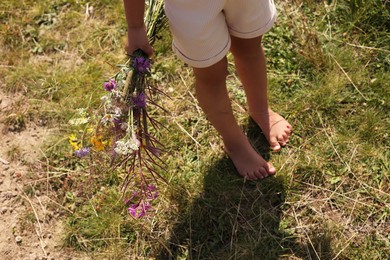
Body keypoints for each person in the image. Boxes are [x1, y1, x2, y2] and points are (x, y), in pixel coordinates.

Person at [123, 0, 292, 181]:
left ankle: (260, 110)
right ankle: (235, 143)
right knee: (211, 74)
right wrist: (135, 27)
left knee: (249, 47)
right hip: (190, 8)